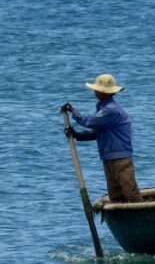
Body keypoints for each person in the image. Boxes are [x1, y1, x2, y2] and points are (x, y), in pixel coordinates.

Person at [61, 73, 142, 202]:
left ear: (103, 92)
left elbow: (90, 121)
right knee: (115, 196)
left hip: (121, 160)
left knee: (131, 194)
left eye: (96, 89)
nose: (94, 91)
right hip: (108, 158)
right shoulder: (104, 109)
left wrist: (74, 112)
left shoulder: (111, 110)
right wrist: (77, 135)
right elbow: (96, 133)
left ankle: (141, 218)